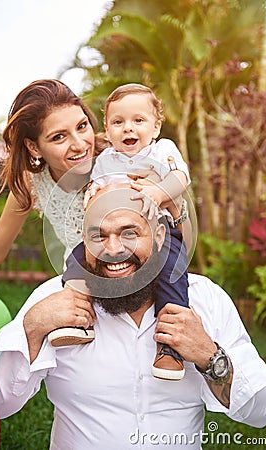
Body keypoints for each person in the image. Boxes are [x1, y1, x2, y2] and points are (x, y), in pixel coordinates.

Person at [0, 185, 266, 450]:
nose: (114, 249)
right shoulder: (54, 298)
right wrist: (32, 328)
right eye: (98, 236)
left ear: (159, 236)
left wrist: (210, 355)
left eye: (129, 233)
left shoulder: (205, 299)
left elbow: (262, 410)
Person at [55, 83, 192, 381]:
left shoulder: (162, 149)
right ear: (107, 127)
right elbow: (96, 186)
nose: (128, 128)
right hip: (113, 232)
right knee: (78, 259)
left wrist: (158, 192)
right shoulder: (105, 160)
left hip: (161, 232)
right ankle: (76, 318)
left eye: (138, 121)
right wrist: (93, 195)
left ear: (156, 126)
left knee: (172, 277)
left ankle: (170, 348)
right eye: (118, 122)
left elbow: (181, 178)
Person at [0, 79, 102, 291]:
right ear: (34, 147)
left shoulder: (119, 160)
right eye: (59, 137)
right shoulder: (33, 182)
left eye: (82, 126)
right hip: (80, 286)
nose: (79, 144)